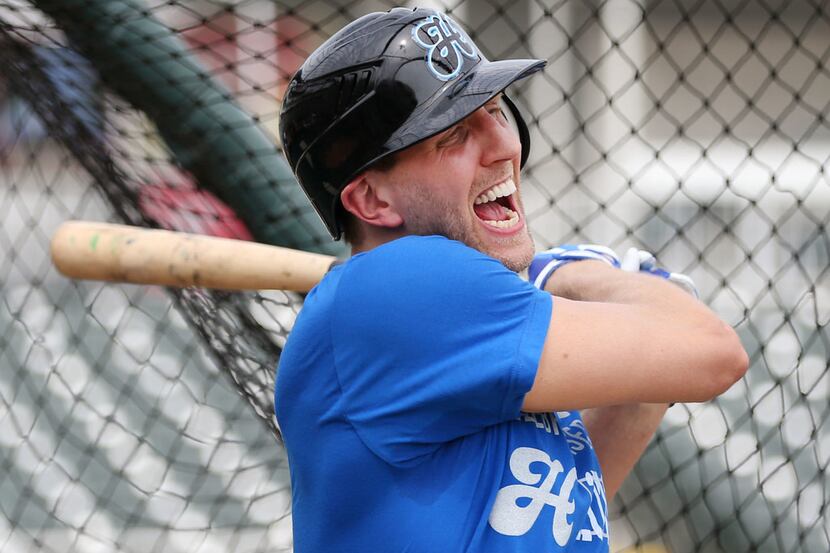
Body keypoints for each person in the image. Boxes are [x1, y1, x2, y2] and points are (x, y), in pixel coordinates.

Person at [275, 7, 748, 552]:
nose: (503, 147)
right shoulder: (401, 284)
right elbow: (716, 354)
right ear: (371, 199)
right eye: (452, 135)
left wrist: (646, 380)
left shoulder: (467, 328)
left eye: (495, 111)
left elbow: (556, 519)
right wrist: (575, 274)